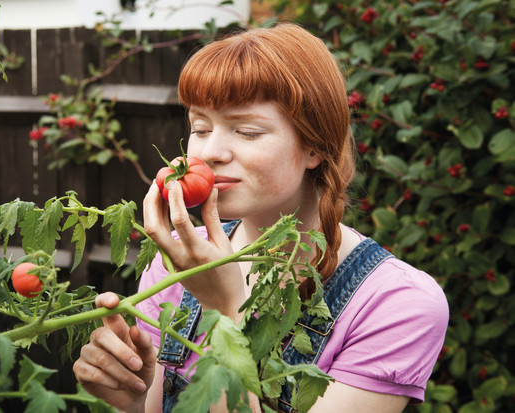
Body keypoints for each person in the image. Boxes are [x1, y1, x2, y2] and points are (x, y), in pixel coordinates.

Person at [73, 23, 449, 413]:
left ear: (314, 148)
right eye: (200, 127)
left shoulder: (398, 304)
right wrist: (129, 401)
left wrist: (224, 309)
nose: (211, 150)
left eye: (247, 131)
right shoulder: (174, 264)